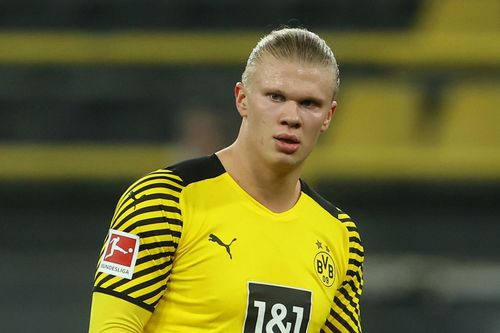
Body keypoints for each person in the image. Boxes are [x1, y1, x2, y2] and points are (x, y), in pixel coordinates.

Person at [88, 27, 364, 333]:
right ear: (242, 99)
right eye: (275, 96)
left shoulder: (340, 236)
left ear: (328, 116)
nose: (291, 116)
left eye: (309, 103)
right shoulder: (164, 200)